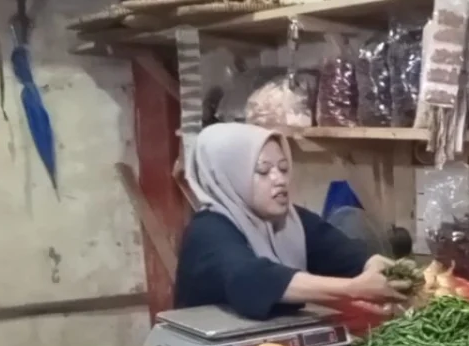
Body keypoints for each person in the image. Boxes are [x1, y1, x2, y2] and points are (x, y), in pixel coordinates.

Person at [174, 123, 408, 320]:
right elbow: (252, 278)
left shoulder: (292, 221)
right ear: (226, 177)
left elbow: (343, 253)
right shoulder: (208, 231)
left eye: (283, 168)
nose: (279, 180)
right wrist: (353, 290)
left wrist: (377, 265)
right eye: (263, 171)